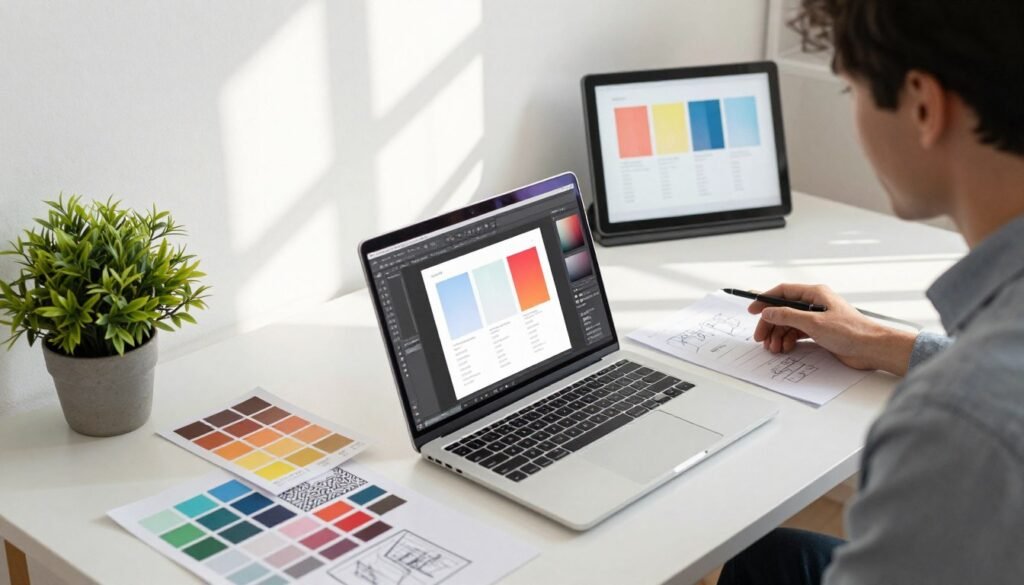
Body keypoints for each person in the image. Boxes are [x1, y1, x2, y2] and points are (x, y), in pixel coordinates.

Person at [717, 0, 1024, 583]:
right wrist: (877, 340)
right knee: (768, 559)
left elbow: (987, 404)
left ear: (924, 106)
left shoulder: (957, 424)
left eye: (850, 91)